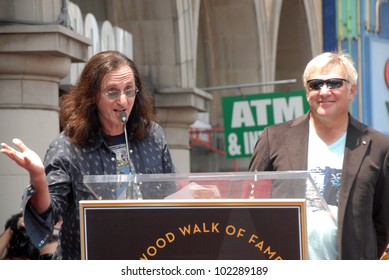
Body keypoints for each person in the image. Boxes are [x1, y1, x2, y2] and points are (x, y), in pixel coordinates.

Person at [1, 51, 176, 259]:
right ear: (93, 95)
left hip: (146, 261)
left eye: (129, 91)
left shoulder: (152, 135)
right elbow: (46, 219)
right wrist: (38, 177)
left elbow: (169, 194)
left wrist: (196, 196)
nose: (123, 101)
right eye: (112, 92)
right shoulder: (67, 148)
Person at [248, 51, 389, 260]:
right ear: (307, 93)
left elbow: (383, 222)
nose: (324, 91)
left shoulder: (379, 146)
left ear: (352, 91)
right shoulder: (274, 138)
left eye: (334, 83)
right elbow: (251, 206)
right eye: (315, 84)